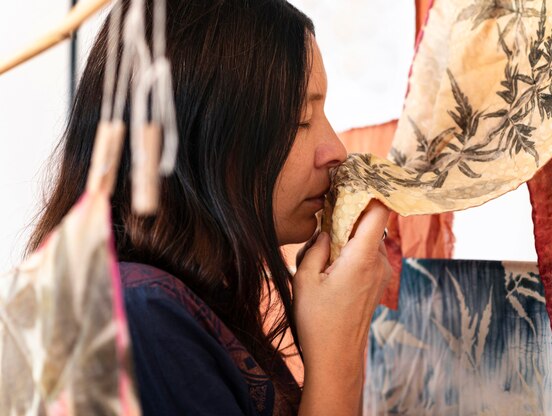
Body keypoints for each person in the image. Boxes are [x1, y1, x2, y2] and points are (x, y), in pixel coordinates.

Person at [28, 0, 391, 414]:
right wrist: (338, 359)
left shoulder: (187, 298)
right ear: (200, 133)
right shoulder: (138, 314)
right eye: (298, 120)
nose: (336, 151)